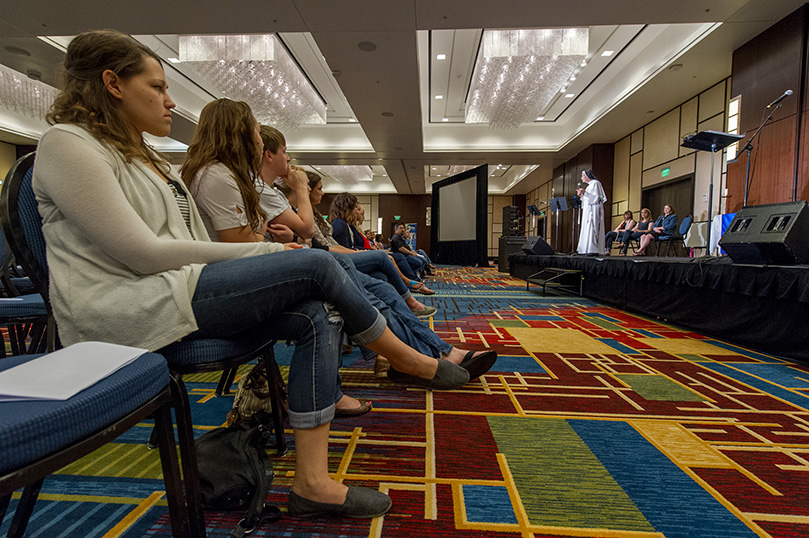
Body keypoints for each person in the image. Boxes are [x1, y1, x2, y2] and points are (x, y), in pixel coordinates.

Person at [33, 31, 470, 520]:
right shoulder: (66, 145)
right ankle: (409, 359)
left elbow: (192, 247)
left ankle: (312, 481)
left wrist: (264, 251)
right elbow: (141, 253)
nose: (170, 99)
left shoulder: (151, 159)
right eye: (156, 87)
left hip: (180, 293)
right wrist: (265, 250)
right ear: (112, 83)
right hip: (127, 312)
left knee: (316, 312)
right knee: (318, 262)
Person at [576, 169, 607, 255]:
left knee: (592, 227)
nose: (581, 178)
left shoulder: (595, 183)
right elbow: (587, 199)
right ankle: (586, 249)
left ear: (587, 176)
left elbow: (596, 198)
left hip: (593, 210)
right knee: (587, 228)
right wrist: (582, 195)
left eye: (582, 176)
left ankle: (592, 249)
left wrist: (585, 192)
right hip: (588, 210)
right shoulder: (589, 186)